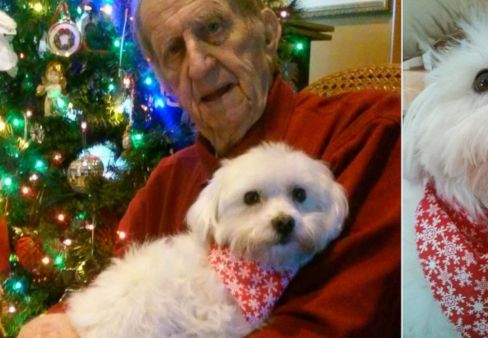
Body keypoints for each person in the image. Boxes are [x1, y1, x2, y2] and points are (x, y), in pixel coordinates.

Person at [17, 0, 400, 337]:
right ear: (166, 85)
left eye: (213, 28)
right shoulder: (166, 183)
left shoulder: (365, 134)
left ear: (268, 33)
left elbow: (340, 323)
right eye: (174, 50)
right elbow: (114, 293)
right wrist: (56, 322)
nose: (199, 65)